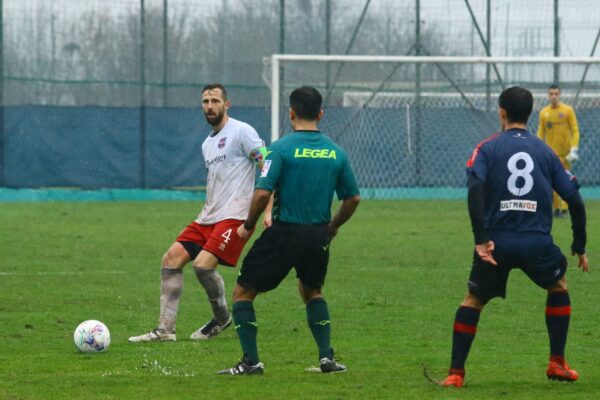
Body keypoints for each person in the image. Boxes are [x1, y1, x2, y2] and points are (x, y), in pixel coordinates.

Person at [442, 86, 589, 388]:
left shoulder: (486, 148)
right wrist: (579, 246)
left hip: (495, 244)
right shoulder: (545, 152)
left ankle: (456, 374)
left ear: (502, 112)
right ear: (531, 113)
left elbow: (474, 190)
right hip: (536, 242)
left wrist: (481, 238)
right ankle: (557, 363)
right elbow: (574, 199)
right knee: (558, 285)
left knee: (473, 300)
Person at [217, 86, 361, 375]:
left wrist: (247, 226)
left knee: (243, 292)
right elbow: (353, 198)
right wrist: (332, 227)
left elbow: (261, 194)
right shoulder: (336, 152)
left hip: (284, 233)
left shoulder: (280, 149)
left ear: (291, 112)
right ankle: (326, 359)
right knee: (312, 291)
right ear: (320, 114)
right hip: (318, 234)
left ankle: (251, 362)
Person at [129, 83, 267, 342]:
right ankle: (165, 330)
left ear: (227, 104)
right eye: (205, 101)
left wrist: (267, 205)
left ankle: (221, 317)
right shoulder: (207, 144)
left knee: (202, 266)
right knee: (170, 259)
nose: (209, 106)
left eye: (215, 101)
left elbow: (266, 162)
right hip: (207, 217)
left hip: (234, 216)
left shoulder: (241, 131)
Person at [537, 84, 581, 218]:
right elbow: (541, 133)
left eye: (556, 93)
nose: (554, 96)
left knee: (566, 181)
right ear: (548, 95)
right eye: (551, 94)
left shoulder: (568, 110)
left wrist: (574, 149)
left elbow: (575, 130)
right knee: (551, 182)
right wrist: (538, 149)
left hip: (566, 154)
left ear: (560, 95)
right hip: (551, 154)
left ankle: (566, 209)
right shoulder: (544, 112)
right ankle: (556, 209)